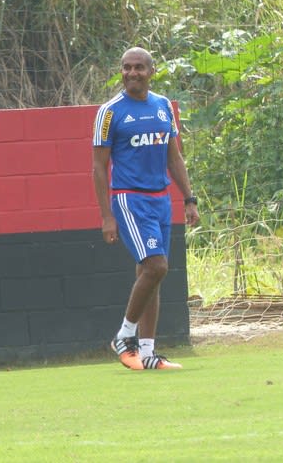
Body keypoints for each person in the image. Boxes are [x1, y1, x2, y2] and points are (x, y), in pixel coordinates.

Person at [92, 46, 200, 370]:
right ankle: (124, 336)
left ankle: (149, 354)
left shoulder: (164, 106)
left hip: (160, 199)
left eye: (139, 67)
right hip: (129, 198)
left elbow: (174, 157)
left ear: (151, 71)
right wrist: (107, 216)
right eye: (127, 67)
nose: (132, 73)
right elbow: (99, 167)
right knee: (157, 266)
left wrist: (189, 198)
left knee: (150, 275)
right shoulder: (110, 112)